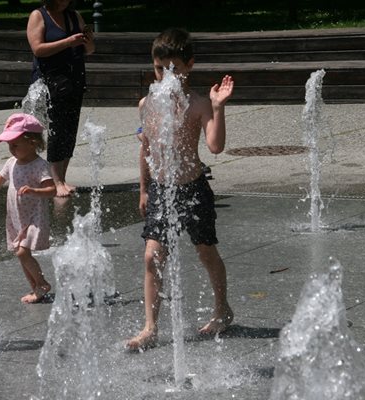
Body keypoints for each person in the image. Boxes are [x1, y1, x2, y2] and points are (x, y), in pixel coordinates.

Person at [127, 28, 235, 351]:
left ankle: (222, 309)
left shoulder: (199, 104)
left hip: (194, 189)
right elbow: (146, 149)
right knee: (152, 256)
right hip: (161, 190)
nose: (164, 76)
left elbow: (215, 146)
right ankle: (150, 327)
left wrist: (219, 107)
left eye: (172, 68)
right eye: (159, 69)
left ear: (189, 65)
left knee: (205, 251)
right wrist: (144, 190)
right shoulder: (148, 104)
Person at [0, 113, 56, 303]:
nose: (11, 149)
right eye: (9, 145)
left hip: (34, 216)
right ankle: (36, 288)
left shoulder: (40, 165)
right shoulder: (11, 163)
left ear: (33, 142)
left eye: (15, 144)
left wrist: (34, 191)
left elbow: (52, 190)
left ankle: (42, 283)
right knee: (20, 254)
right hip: (17, 216)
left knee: (22, 252)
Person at [26, 0, 95, 197]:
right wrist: (68, 42)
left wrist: (87, 40)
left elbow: (89, 50)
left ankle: (62, 178)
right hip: (51, 81)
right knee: (57, 129)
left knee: (70, 129)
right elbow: (37, 49)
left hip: (74, 78)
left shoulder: (75, 16)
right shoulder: (38, 16)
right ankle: (55, 181)